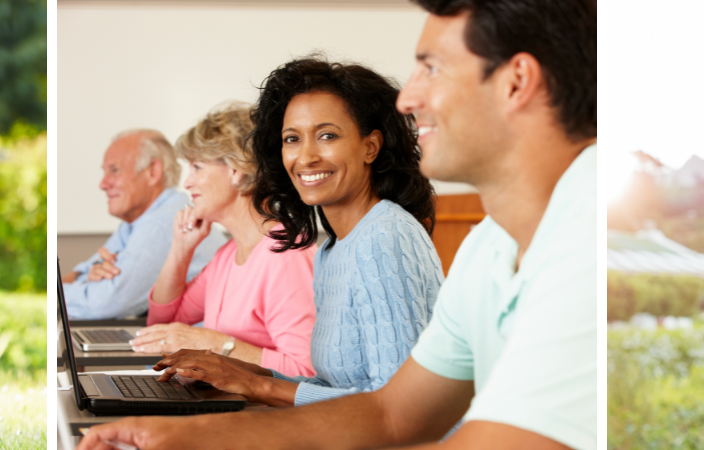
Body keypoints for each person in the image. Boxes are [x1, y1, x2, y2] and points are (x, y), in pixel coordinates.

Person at [78, 0, 595, 447]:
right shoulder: (486, 247)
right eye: (290, 139)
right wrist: (189, 434)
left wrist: (249, 393)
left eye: (431, 68)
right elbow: (392, 411)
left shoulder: (589, 239)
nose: (408, 98)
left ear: (517, 82)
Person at [148, 57, 445, 407]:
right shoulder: (333, 249)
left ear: (371, 146)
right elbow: (333, 384)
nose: (305, 157)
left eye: (327, 136)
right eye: (292, 139)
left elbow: (402, 404)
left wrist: (258, 386)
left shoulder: (385, 237)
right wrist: (241, 374)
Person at [131, 102, 318, 377]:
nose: (187, 183)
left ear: (235, 170)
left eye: (197, 167)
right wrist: (181, 250)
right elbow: (164, 326)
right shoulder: (228, 255)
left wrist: (216, 344)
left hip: (267, 416)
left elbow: (305, 372)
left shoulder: (286, 255)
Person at [62, 129, 227, 320]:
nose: (103, 184)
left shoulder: (162, 223)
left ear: (153, 172)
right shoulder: (136, 222)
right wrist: (87, 276)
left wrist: (64, 291)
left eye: (114, 170)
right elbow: (77, 275)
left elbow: (103, 304)